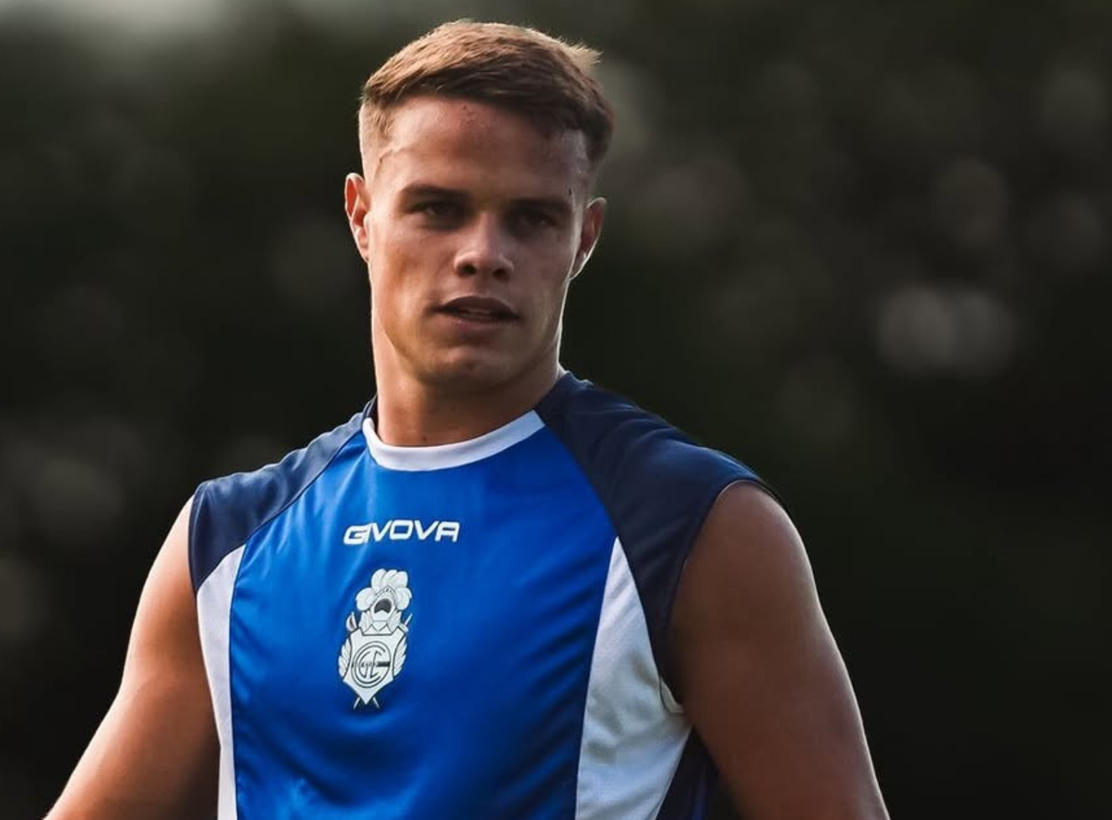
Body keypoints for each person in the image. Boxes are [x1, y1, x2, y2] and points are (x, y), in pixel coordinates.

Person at [45, 20, 890, 820]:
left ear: (584, 238)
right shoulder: (225, 542)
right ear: (361, 216)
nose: (485, 252)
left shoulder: (694, 528)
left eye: (531, 217)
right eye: (438, 208)